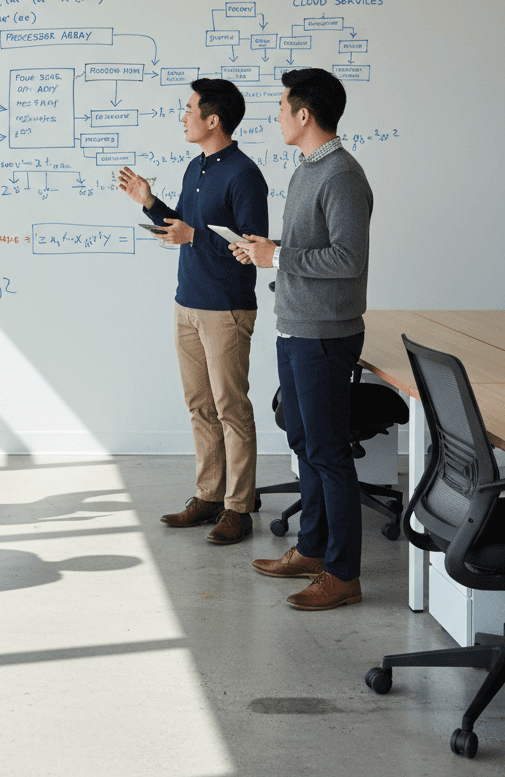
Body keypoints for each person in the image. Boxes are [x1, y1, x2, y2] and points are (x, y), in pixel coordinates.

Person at [232, 67, 373, 611]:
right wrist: (269, 247)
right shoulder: (306, 170)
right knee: (304, 445)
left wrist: (279, 256)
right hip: (294, 327)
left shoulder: (341, 174)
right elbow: (307, 248)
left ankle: (343, 574)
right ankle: (312, 549)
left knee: (329, 454)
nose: (278, 116)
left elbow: (347, 258)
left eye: (282, 107)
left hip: (323, 335)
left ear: (304, 114)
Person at [118, 77, 268, 545]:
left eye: (188, 109)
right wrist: (149, 202)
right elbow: (181, 225)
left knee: (231, 408)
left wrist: (195, 238)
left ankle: (239, 508)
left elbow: (251, 248)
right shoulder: (194, 167)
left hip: (226, 308)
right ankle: (208, 496)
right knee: (200, 406)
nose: (183, 116)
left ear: (213, 119)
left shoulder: (244, 174)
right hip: (187, 302)